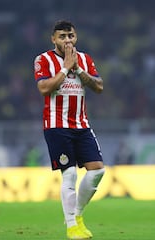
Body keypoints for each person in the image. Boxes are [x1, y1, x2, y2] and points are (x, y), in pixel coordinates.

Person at [33, 20, 105, 239]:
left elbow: (99, 86)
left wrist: (78, 69)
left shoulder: (84, 59)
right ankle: (72, 227)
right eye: (62, 36)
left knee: (97, 171)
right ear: (53, 39)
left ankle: (77, 215)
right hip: (56, 125)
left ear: (76, 37)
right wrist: (65, 67)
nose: (67, 40)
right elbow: (44, 88)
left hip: (81, 125)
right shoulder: (43, 59)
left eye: (70, 36)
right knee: (70, 173)